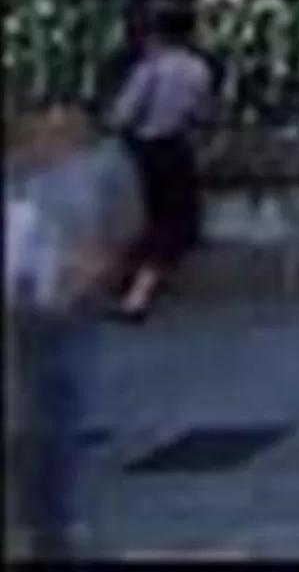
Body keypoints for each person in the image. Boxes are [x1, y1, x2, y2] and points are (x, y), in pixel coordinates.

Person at [7, 104, 144, 562]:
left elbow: (121, 229)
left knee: (58, 413)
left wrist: (94, 270)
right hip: (30, 305)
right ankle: (41, 518)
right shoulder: (20, 172)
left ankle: (50, 519)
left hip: (68, 306)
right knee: (41, 415)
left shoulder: (102, 166)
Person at [105, 0, 214, 322]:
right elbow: (202, 113)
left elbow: (122, 116)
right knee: (170, 223)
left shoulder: (149, 70)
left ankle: (130, 292)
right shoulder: (197, 69)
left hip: (143, 149)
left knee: (140, 219)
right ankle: (138, 290)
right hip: (176, 150)